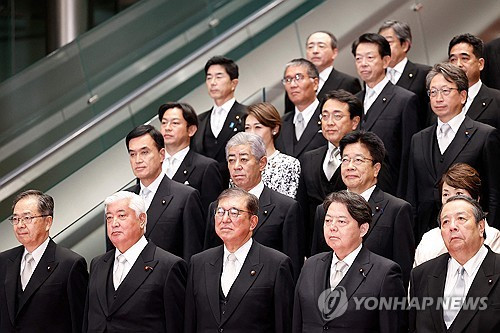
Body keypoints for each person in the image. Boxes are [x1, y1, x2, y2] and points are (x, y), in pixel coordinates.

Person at [407, 62, 500, 242]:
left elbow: (494, 194)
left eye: (445, 91)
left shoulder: (484, 135)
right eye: (433, 92)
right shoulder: (418, 139)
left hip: (470, 233)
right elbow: (412, 194)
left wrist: (489, 236)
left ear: (463, 95)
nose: (438, 98)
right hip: (428, 235)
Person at [310, 131, 414, 287]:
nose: (350, 166)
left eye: (358, 160)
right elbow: (318, 263)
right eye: (345, 160)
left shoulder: (397, 210)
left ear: (376, 168)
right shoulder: (324, 209)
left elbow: (402, 272)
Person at [293, 190, 406, 332]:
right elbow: (297, 322)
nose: (332, 227)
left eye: (341, 221)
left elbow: (392, 327)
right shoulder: (311, 265)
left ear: (363, 229)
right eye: (328, 220)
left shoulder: (385, 273)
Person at [185, 188, 294, 332]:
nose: (225, 219)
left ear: (253, 222)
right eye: (220, 212)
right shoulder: (199, 262)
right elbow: (191, 322)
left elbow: (283, 324)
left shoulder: (276, 265)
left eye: (234, 213)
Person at [204, 132, 304, 279]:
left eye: (244, 159)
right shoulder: (216, 207)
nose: (236, 166)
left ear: (262, 163)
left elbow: (292, 267)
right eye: (231, 160)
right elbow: (209, 256)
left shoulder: (286, 208)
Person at [83, 191, 187, 333]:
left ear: (142, 219)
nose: (114, 223)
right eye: (109, 218)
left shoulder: (168, 266)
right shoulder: (98, 263)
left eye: (121, 216)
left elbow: (176, 326)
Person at [106, 124, 205, 262]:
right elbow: (111, 255)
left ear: (161, 155)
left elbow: (193, 255)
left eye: (144, 152)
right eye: (132, 154)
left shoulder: (185, 197)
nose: (138, 160)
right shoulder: (120, 200)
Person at [0, 190, 88, 333]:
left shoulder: (70, 264)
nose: (20, 224)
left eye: (27, 218)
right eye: (15, 219)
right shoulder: (3, 261)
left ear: (48, 222)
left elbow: (80, 322)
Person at [409, 195, 500, 332]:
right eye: (445, 222)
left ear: (481, 227)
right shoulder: (421, 275)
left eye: (461, 219)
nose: (452, 227)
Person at [352, 33, 419, 197]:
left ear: (386, 60)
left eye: (370, 57)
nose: (363, 64)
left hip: (392, 190)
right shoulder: (354, 101)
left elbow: (408, 155)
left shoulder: (404, 99)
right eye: (359, 59)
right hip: (358, 193)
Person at [301, 90, 361, 253]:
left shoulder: (365, 159)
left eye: (337, 116)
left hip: (353, 245)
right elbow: (303, 209)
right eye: (325, 116)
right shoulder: (309, 158)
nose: (329, 122)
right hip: (316, 247)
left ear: (354, 122)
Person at [414, 163, 500, 267]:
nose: (451, 199)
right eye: (446, 194)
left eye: (459, 193)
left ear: (476, 199)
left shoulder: (493, 236)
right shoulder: (429, 238)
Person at [158, 101, 223, 215]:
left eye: (175, 123)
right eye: (164, 123)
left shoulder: (206, 167)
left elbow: (211, 214)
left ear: (191, 130)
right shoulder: (152, 164)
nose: (167, 128)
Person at [191, 56, 246, 186]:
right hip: (205, 191)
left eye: (219, 77)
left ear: (234, 83)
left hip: (237, 187)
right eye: (209, 77)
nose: (213, 82)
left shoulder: (247, 115)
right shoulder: (199, 120)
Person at [284, 31, 361, 113]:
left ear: (334, 52)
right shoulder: (294, 83)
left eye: (321, 46)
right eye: (310, 47)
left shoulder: (348, 83)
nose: (315, 51)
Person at [378, 20, 431, 129]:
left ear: (404, 45)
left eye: (388, 43)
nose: (382, 49)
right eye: (380, 44)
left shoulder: (424, 73)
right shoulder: (376, 77)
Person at [244, 102, 301, 199]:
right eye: (247, 128)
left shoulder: (289, 164)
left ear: (275, 129)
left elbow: (288, 205)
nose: (251, 133)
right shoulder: (240, 163)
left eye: (258, 127)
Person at [275, 58, 327, 159]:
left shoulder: (328, 117)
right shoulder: (280, 123)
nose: (293, 85)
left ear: (315, 83)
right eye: (288, 80)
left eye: (298, 78)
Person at [448, 33, 500, 128]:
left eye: (464, 58)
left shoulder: (497, 100)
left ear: (480, 64)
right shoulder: (440, 102)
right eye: (453, 59)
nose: (458, 64)